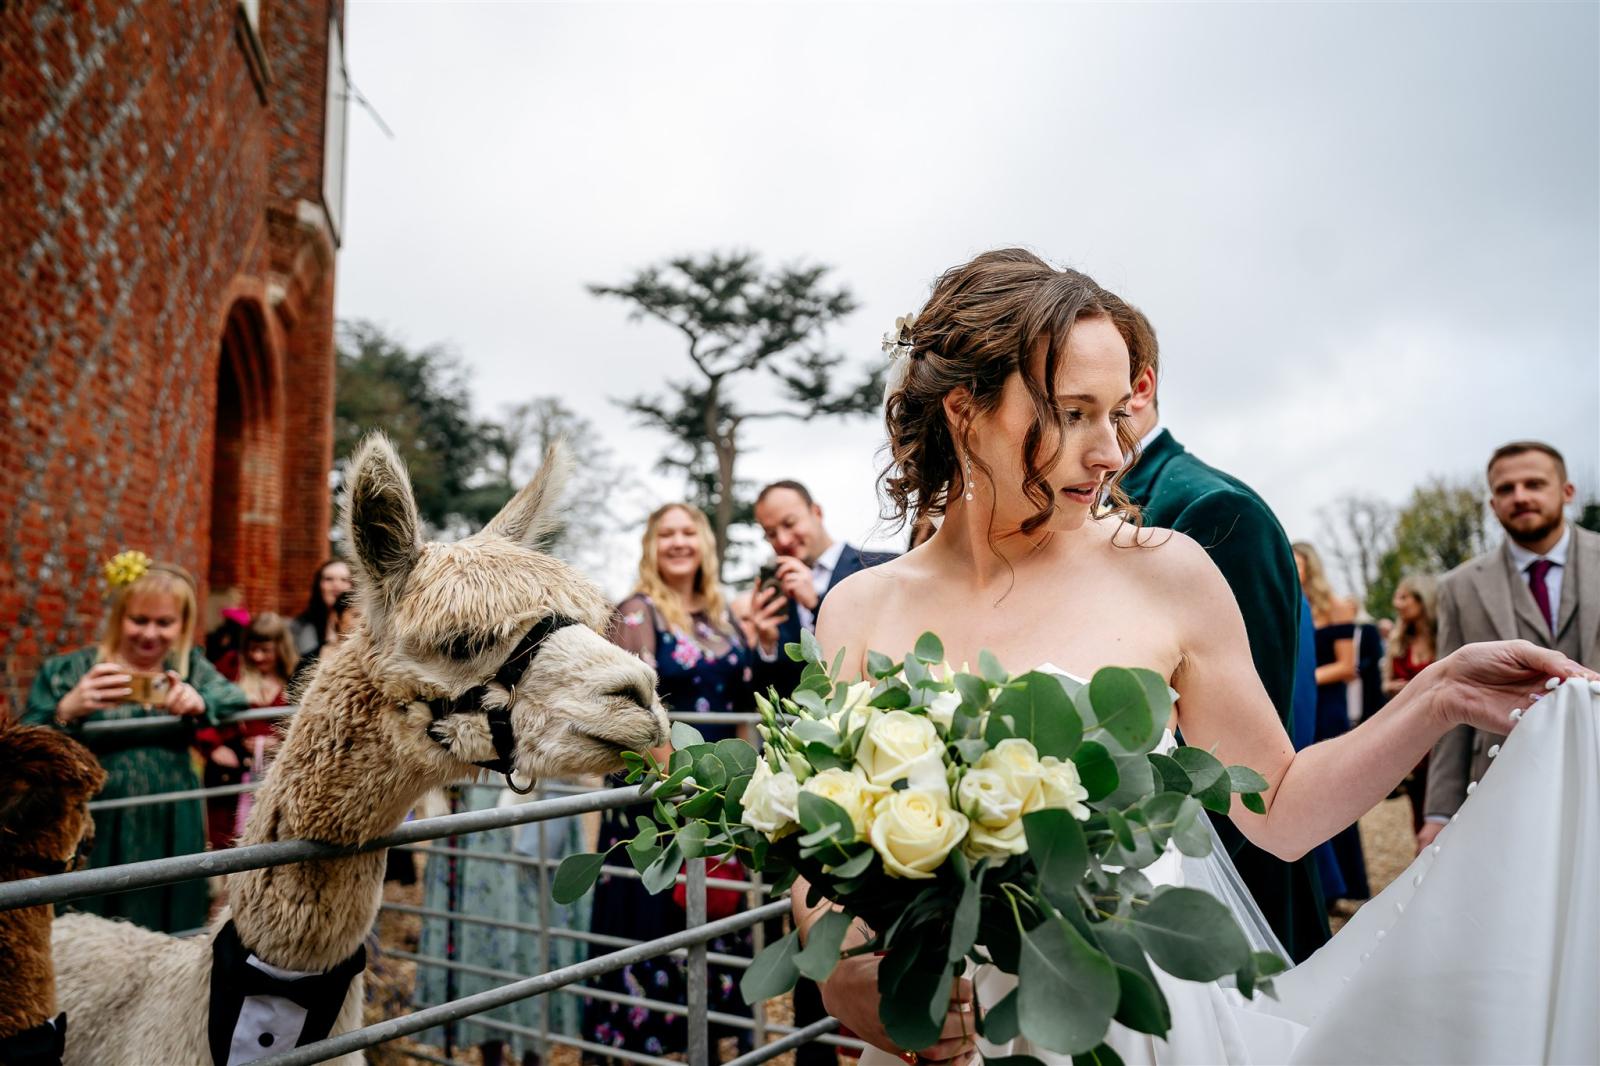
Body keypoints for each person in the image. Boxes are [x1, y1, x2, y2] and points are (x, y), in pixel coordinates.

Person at [790, 249, 1598, 1065]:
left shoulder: (1165, 572)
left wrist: (1440, 692)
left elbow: (1278, 812)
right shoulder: (861, 608)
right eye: (1075, 413)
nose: (1110, 452)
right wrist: (845, 976)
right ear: (966, 411)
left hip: (1134, 1029)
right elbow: (825, 852)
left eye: (1115, 415)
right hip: (940, 1036)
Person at [1120, 312, 1328, 962]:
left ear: (1141, 386)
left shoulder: (1210, 509)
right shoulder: (1079, 509)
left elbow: (1242, 767)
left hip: (1213, 909)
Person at [583, 503, 786, 1062]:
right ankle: (644, 1047)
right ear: (652, 545)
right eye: (666, 533)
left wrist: (764, 645)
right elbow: (633, 706)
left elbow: (746, 701)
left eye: (688, 532)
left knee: (716, 920)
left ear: (704, 543)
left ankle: (711, 1041)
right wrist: (681, 784)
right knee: (655, 924)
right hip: (659, 798)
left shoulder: (723, 617)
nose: (678, 542)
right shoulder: (634, 612)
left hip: (718, 797)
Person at [23, 552, 248, 932]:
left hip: (171, 814)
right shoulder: (72, 670)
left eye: (164, 623)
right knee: (91, 921)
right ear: (117, 617)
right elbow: (27, 737)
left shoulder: (189, 667)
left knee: (168, 919)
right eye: (138, 620)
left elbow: (236, 699)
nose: (150, 633)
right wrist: (67, 710)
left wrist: (199, 700)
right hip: (98, 816)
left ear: (182, 625)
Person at [1419, 440, 1600, 851]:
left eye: (1534, 484)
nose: (1520, 497)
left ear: (1567, 492)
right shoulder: (1459, 588)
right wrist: (1439, 813)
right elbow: (1451, 703)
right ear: (1493, 503)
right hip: (1502, 781)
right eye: (1506, 489)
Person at [1290, 540, 1369, 903]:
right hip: (1304, 703)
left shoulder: (1334, 608)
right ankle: (1322, 883)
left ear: (1312, 567)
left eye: (1298, 563)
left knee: (1336, 789)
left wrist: (1304, 676)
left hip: (1329, 705)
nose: (1293, 568)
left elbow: (1346, 665)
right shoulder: (1289, 604)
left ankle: (1348, 885)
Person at [193, 612, 297, 850]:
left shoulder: (293, 679)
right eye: (252, 649)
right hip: (231, 772)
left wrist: (280, 742)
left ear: (280, 649)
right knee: (223, 839)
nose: (257, 656)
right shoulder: (231, 669)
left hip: (274, 772)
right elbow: (204, 706)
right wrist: (215, 746)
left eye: (265, 650)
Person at [1383, 575, 1438, 831]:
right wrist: (1393, 688)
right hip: (1411, 729)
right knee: (1418, 802)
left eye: (1404, 597)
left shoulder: (1443, 637)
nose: (1397, 603)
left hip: (1441, 730)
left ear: (1422, 599)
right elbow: (1386, 683)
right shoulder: (1398, 641)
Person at [288, 558, 353, 657]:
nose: (336, 585)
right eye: (329, 579)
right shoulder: (300, 626)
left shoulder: (363, 625)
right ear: (319, 585)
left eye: (344, 580)